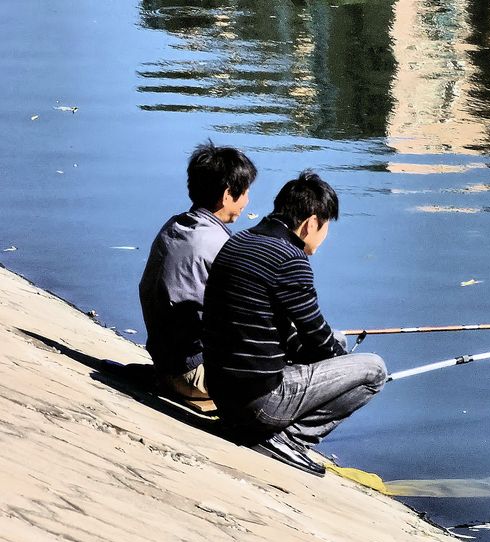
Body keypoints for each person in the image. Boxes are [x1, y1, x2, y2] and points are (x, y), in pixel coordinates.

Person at [202, 170, 386, 476]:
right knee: (373, 370)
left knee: (337, 340)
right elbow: (318, 338)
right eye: (326, 227)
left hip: (221, 392)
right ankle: (290, 439)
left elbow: (288, 333)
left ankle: (266, 431)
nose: (323, 237)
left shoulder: (240, 241)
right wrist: (342, 362)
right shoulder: (290, 258)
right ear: (312, 222)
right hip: (258, 402)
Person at [138, 141, 256, 403]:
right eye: (245, 192)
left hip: (164, 362)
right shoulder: (221, 246)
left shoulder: (174, 225)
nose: (248, 200)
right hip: (191, 375)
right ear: (227, 195)